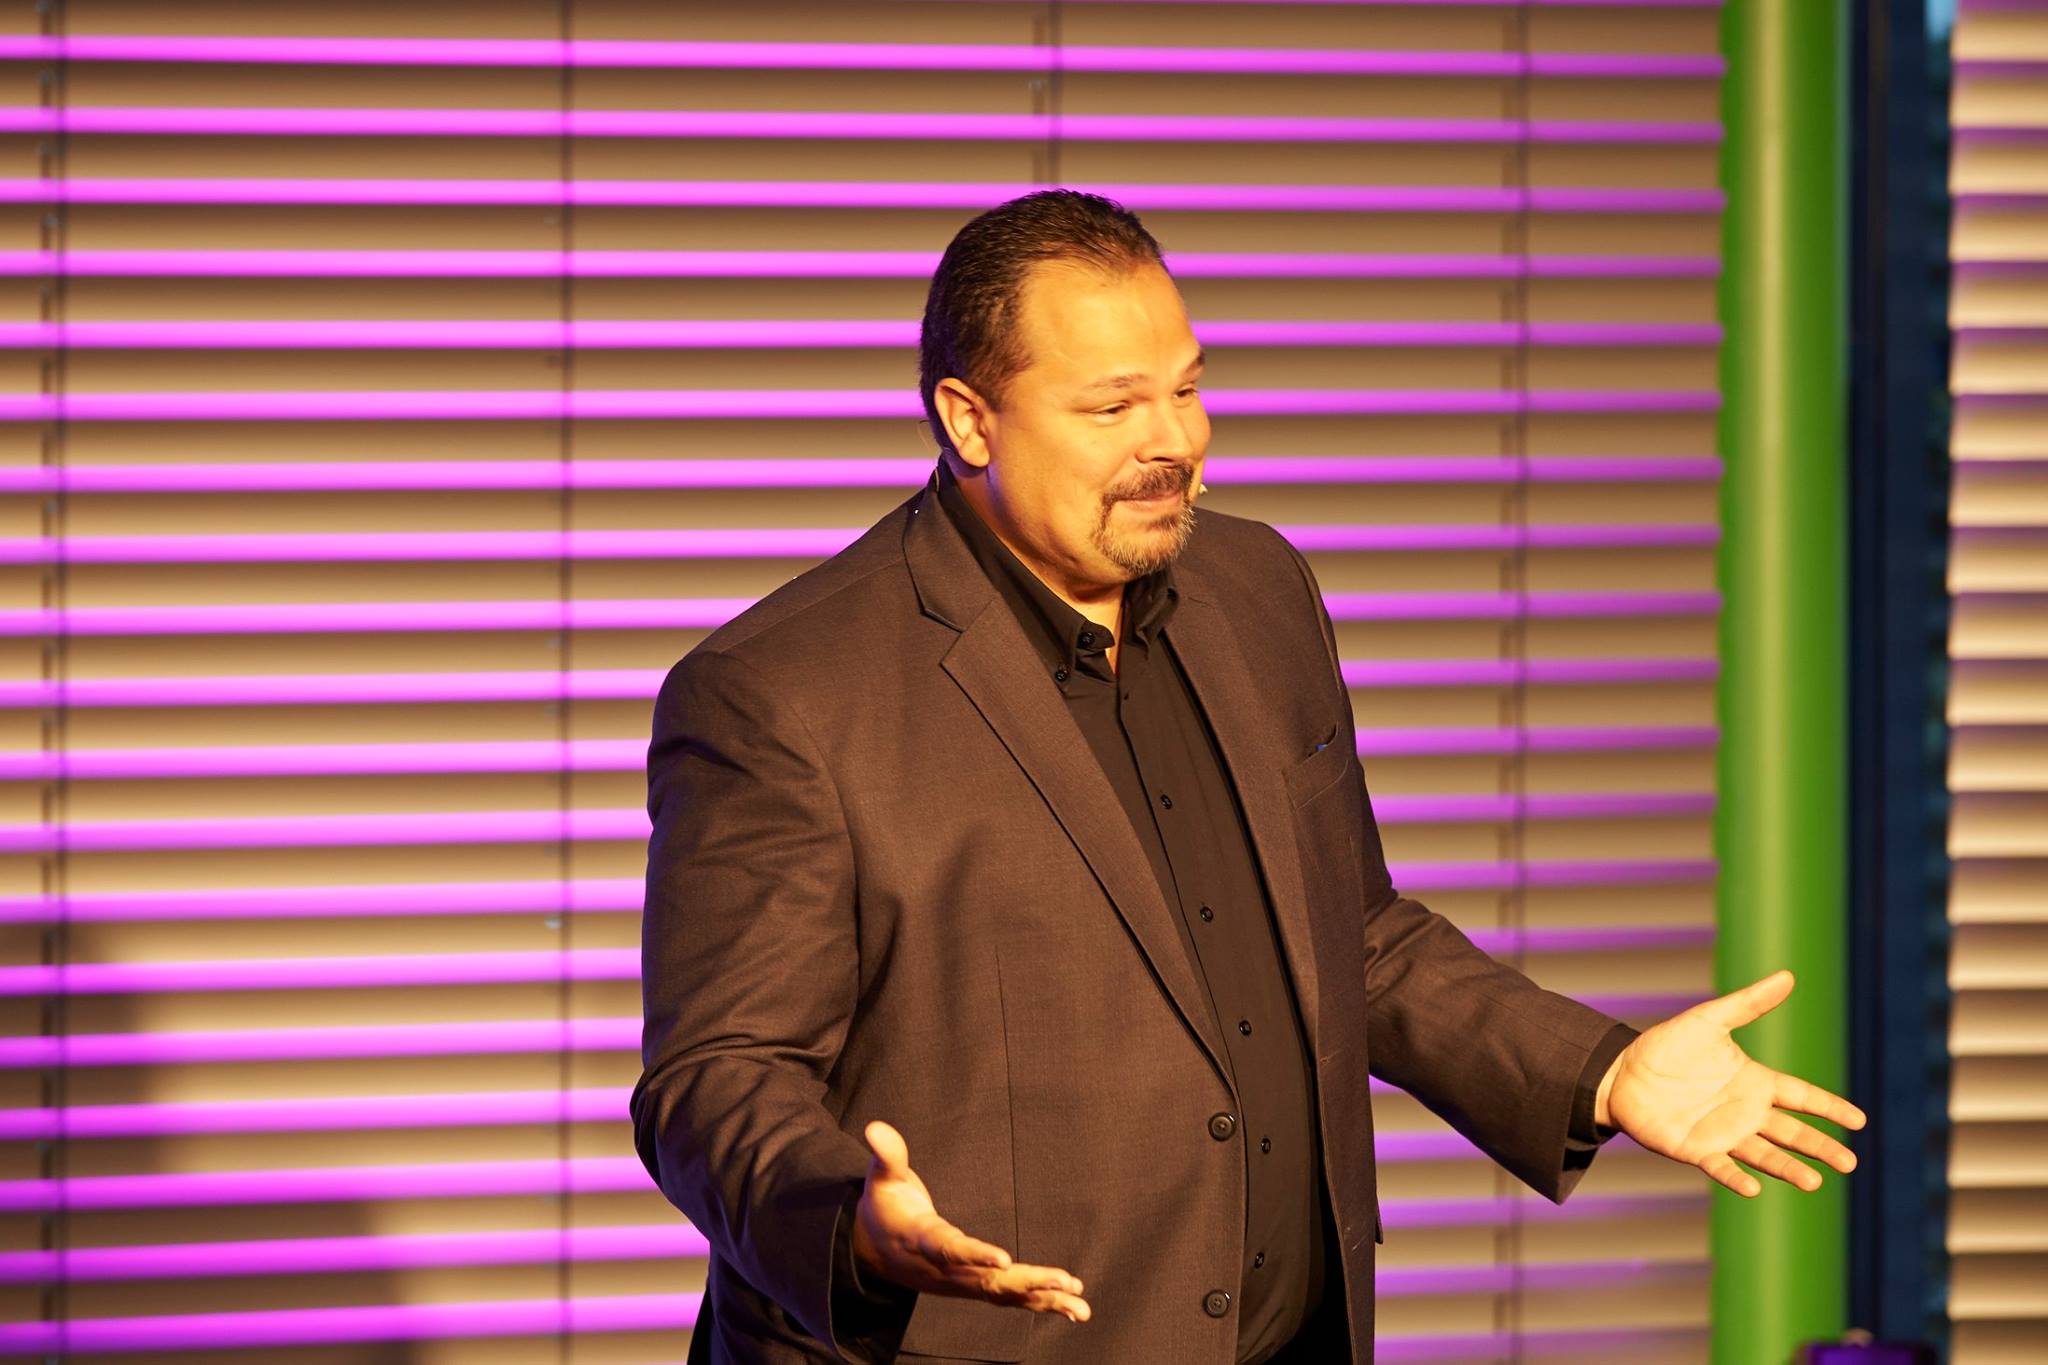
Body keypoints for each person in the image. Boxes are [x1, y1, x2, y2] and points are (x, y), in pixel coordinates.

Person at [631, 189, 1866, 1364]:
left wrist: (1596, 1069)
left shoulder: (1257, 588)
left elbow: (1354, 939)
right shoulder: (782, 692)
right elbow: (716, 1077)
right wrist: (850, 1225)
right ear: (968, 421)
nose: (1173, 440)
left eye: (1185, 388)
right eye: (1112, 407)